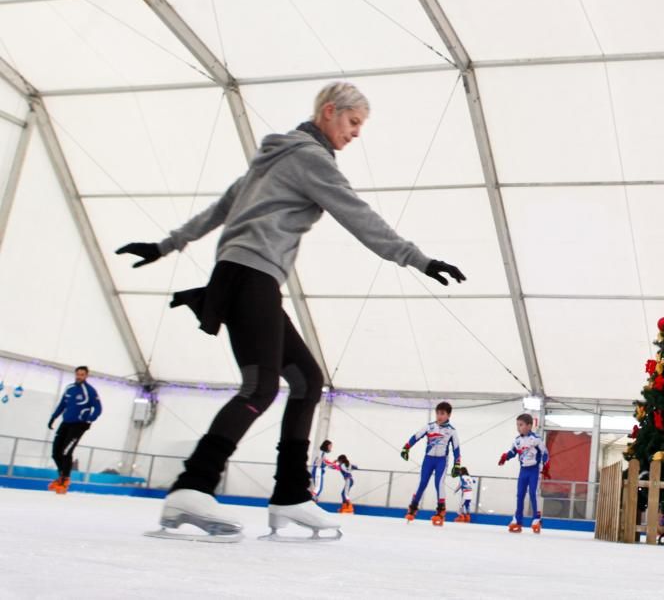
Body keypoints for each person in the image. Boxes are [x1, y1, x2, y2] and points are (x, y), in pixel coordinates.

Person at [117, 82, 466, 541]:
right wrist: (417, 258)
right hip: (251, 275)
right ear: (329, 112)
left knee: (306, 380)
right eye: (353, 122)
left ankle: (290, 494)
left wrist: (166, 245)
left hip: (247, 275)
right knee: (259, 387)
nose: (356, 134)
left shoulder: (273, 159)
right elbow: (357, 215)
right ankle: (193, 485)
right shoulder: (311, 160)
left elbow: (221, 207)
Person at [401, 402, 461, 524]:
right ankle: (412, 508)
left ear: (448, 415)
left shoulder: (452, 431)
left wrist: (457, 464)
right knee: (422, 483)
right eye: (438, 413)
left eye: (442, 413)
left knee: (438, 484)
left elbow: (456, 449)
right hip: (428, 460)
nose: (439, 416)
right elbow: (416, 436)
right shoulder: (429, 426)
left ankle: (441, 511)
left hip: (441, 461)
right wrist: (406, 447)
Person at [47, 366, 102, 494]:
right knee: (56, 452)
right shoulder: (69, 388)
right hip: (65, 423)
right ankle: (62, 476)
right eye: (77, 374)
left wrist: (89, 420)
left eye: (82, 374)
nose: (79, 377)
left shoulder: (90, 391)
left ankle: (65, 480)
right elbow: (62, 404)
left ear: (86, 375)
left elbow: (98, 408)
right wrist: (53, 418)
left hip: (78, 425)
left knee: (66, 452)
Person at [498, 413, 550, 533]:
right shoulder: (517, 440)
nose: (518, 427)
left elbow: (545, 453)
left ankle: (536, 519)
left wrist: (546, 466)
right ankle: (517, 520)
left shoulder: (536, 439)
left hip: (534, 470)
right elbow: (513, 452)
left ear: (529, 426)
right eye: (517, 425)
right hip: (523, 471)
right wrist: (505, 457)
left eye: (521, 425)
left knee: (533, 493)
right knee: (520, 495)